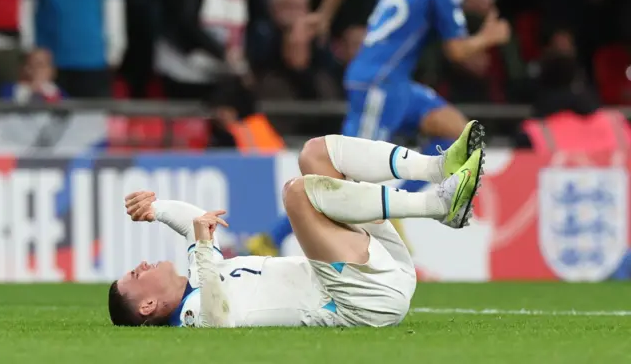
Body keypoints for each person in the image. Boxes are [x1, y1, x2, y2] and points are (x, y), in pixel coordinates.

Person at [250, 0, 509, 256]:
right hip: (377, 85)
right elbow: (456, 50)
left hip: (396, 83)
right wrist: (489, 37)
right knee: (344, 177)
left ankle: (396, 203)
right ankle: (269, 238)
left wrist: (326, 14)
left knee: (460, 136)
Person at [108, 122, 486, 327]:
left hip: (376, 269)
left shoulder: (201, 275)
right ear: (149, 306)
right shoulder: (192, 313)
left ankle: (436, 168)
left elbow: (193, 223)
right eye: (134, 276)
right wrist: (205, 248)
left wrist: (155, 209)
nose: (141, 265)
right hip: (362, 301)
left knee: (314, 153)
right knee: (296, 194)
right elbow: (219, 317)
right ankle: (437, 205)